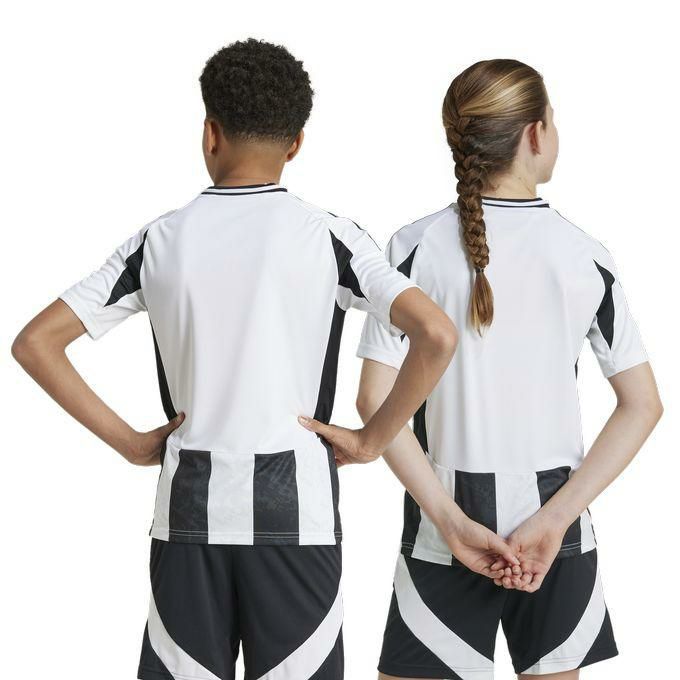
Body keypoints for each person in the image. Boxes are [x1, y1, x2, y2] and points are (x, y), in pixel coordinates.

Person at [11, 39, 459, 680]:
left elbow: (35, 343)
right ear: (296, 143)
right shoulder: (330, 237)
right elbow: (436, 335)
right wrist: (370, 441)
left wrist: (131, 444)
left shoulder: (158, 240)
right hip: (297, 513)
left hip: (188, 508)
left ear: (210, 132)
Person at [354, 59, 663, 680]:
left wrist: (448, 519)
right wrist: (554, 518)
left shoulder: (412, 248)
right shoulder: (585, 256)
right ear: (535, 134)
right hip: (557, 524)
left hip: (443, 518)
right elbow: (643, 404)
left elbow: (373, 401)